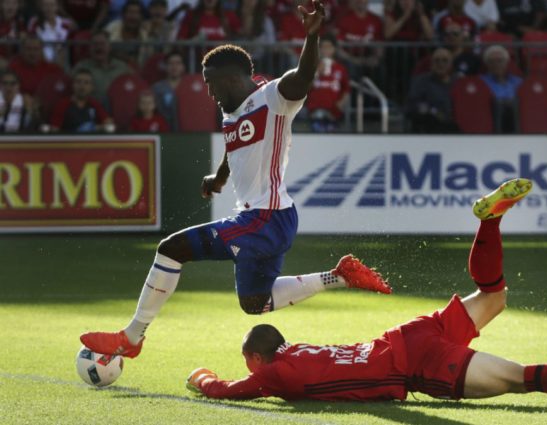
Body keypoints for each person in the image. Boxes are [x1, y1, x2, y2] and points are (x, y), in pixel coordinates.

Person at [79, 0, 392, 359]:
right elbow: (235, 145)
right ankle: (340, 275)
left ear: (231, 79)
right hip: (269, 219)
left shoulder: (272, 98)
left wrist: (313, 37)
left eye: (211, 84)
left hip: (265, 218)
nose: (209, 93)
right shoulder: (232, 111)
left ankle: (131, 338)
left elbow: (303, 77)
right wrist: (219, 176)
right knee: (254, 303)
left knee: (171, 249)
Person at [186, 178, 547, 410]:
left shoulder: (274, 376)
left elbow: (227, 389)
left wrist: (199, 377)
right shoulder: (297, 350)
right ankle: (489, 220)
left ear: (258, 359)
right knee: (494, 295)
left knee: (523, 378)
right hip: (407, 336)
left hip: (416, 366)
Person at [72, 30, 133, 107]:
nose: (99, 47)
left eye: (102, 44)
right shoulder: (81, 67)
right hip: (90, 109)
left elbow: (134, 85)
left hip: (117, 109)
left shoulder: (122, 67)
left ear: (109, 47)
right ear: (90, 48)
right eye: (95, 44)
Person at [406, 47, 459, 133]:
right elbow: (412, 106)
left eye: (445, 60)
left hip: (456, 131)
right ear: (431, 63)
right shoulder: (420, 81)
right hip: (429, 129)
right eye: (437, 60)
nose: (440, 64)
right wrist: (434, 112)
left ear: (451, 64)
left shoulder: (459, 82)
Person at [305, 34, 349, 132]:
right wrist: (317, 73)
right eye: (323, 47)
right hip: (315, 112)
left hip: (333, 113)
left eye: (328, 47)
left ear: (334, 49)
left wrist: (341, 104)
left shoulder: (341, 69)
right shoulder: (311, 67)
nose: (326, 50)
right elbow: (304, 88)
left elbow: (346, 89)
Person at [49, 68, 114, 132]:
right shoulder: (63, 104)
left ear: (92, 87)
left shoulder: (95, 104)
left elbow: (109, 124)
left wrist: (93, 128)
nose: (82, 86)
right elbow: (54, 130)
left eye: (86, 83)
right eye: (78, 81)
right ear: (73, 85)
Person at [27, 0, 75, 66]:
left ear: (57, 6)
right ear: (42, 7)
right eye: (46, 5)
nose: (49, 8)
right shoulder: (35, 22)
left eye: (52, 5)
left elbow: (68, 46)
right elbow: (32, 42)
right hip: (41, 63)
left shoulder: (67, 24)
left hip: (61, 64)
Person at [151, 51, 185, 131]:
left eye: (178, 63)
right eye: (170, 63)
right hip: (164, 132)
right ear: (165, 66)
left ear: (183, 66)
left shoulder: (189, 87)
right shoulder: (157, 88)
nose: (174, 67)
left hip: (186, 132)